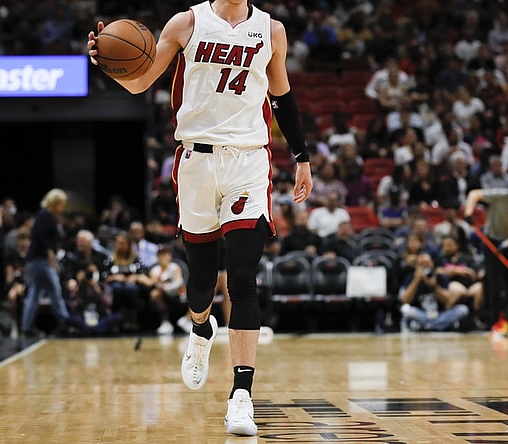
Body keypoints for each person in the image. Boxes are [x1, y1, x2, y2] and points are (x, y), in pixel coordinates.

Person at [88, 1, 314, 436]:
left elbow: (281, 96)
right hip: (196, 161)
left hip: (249, 160)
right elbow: (140, 84)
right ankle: (199, 328)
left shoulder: (272, 30)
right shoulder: (187, 23)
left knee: (243, 277)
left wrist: (300, 157)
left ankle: (241, 395)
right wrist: (105, 60)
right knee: (201, 280)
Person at [463, 173, 508, 337]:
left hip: (507, 244)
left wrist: (504, 245)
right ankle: (494, 322)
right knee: (494, 284)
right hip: (490, 241)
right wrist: (469, 213)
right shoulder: (501, 195)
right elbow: (474, 194)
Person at [20, 188, 70, 337]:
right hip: (41, 260)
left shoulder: (45, 215)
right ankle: (66, 322)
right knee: (55, 291)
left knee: (34, 293)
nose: (63, 207)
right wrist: (50, 255)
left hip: (34, 261)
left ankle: (27, 327)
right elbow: (40, 236)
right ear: (55, 203)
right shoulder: (46, 215)